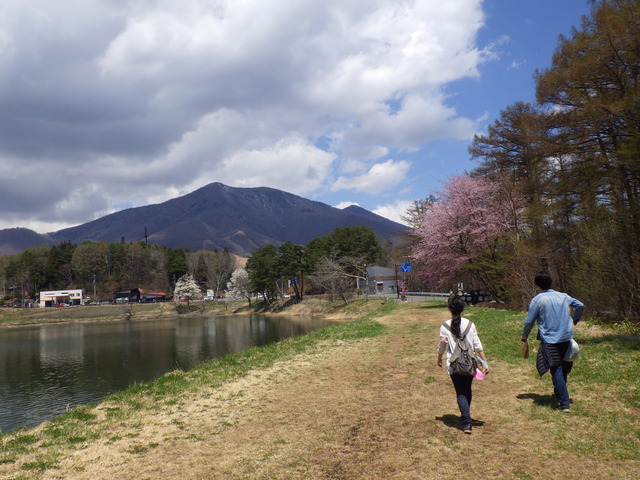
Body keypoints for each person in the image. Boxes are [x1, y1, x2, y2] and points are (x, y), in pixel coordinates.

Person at [521, 272, 584, 412]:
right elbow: (580, 305)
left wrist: (524, 336)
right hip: (566, 337)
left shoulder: (538, 300)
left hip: (550, 340)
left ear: (536, 284)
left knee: (556, 369)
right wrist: (575, 319)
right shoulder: (563, 296)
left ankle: (564, 403)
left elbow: (529, 321)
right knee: (563, 367)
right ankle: (559, 394)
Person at [437, 296, 488, 434]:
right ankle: (466, 415)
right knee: (467, 389)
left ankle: (467, 422)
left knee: (460, 392)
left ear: (450, 309)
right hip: (470, 363)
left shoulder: (445, 326)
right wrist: (484, 362)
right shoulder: (470, 324)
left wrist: (439, 358)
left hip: (454, 364)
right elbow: (478, 345)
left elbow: (442, 346)